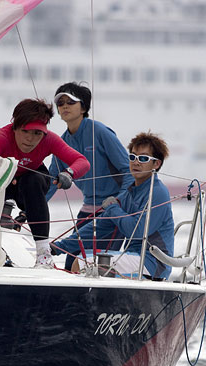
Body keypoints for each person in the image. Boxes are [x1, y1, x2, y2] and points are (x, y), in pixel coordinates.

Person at [0, 98, 90, 268]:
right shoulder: (1, 137)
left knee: (32, 180)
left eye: (37, 133)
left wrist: (69, 173)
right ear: (15, 126)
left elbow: (82, 162)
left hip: (31, 188)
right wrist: (4, 174)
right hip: (4, 183)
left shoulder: (49, 139)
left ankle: (44, 255)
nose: (31, 139)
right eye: (26, 131)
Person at [51, 132, 174, 280]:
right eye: (132, 157)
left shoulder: (158, 192)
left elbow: (138, 231)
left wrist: (113, 208)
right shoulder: (128, 193)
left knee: (81, 263)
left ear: (156, 164)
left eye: (143, 158)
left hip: (153, 264)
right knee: (82, 259)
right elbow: (99, 226)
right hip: (134, 258)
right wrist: (58, 247)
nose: (136, 162)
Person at [46, 81, 134, 270]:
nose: (64, 107)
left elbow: (129, 171)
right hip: (87, 209)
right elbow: (52, 182)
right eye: (60, 103)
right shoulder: (62, 142)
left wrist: (118, 202)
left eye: (70, 102)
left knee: (95, 265)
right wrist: (25, 212)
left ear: (83, 107)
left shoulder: (100, 132)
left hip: (111, 209)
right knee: (71, 264)